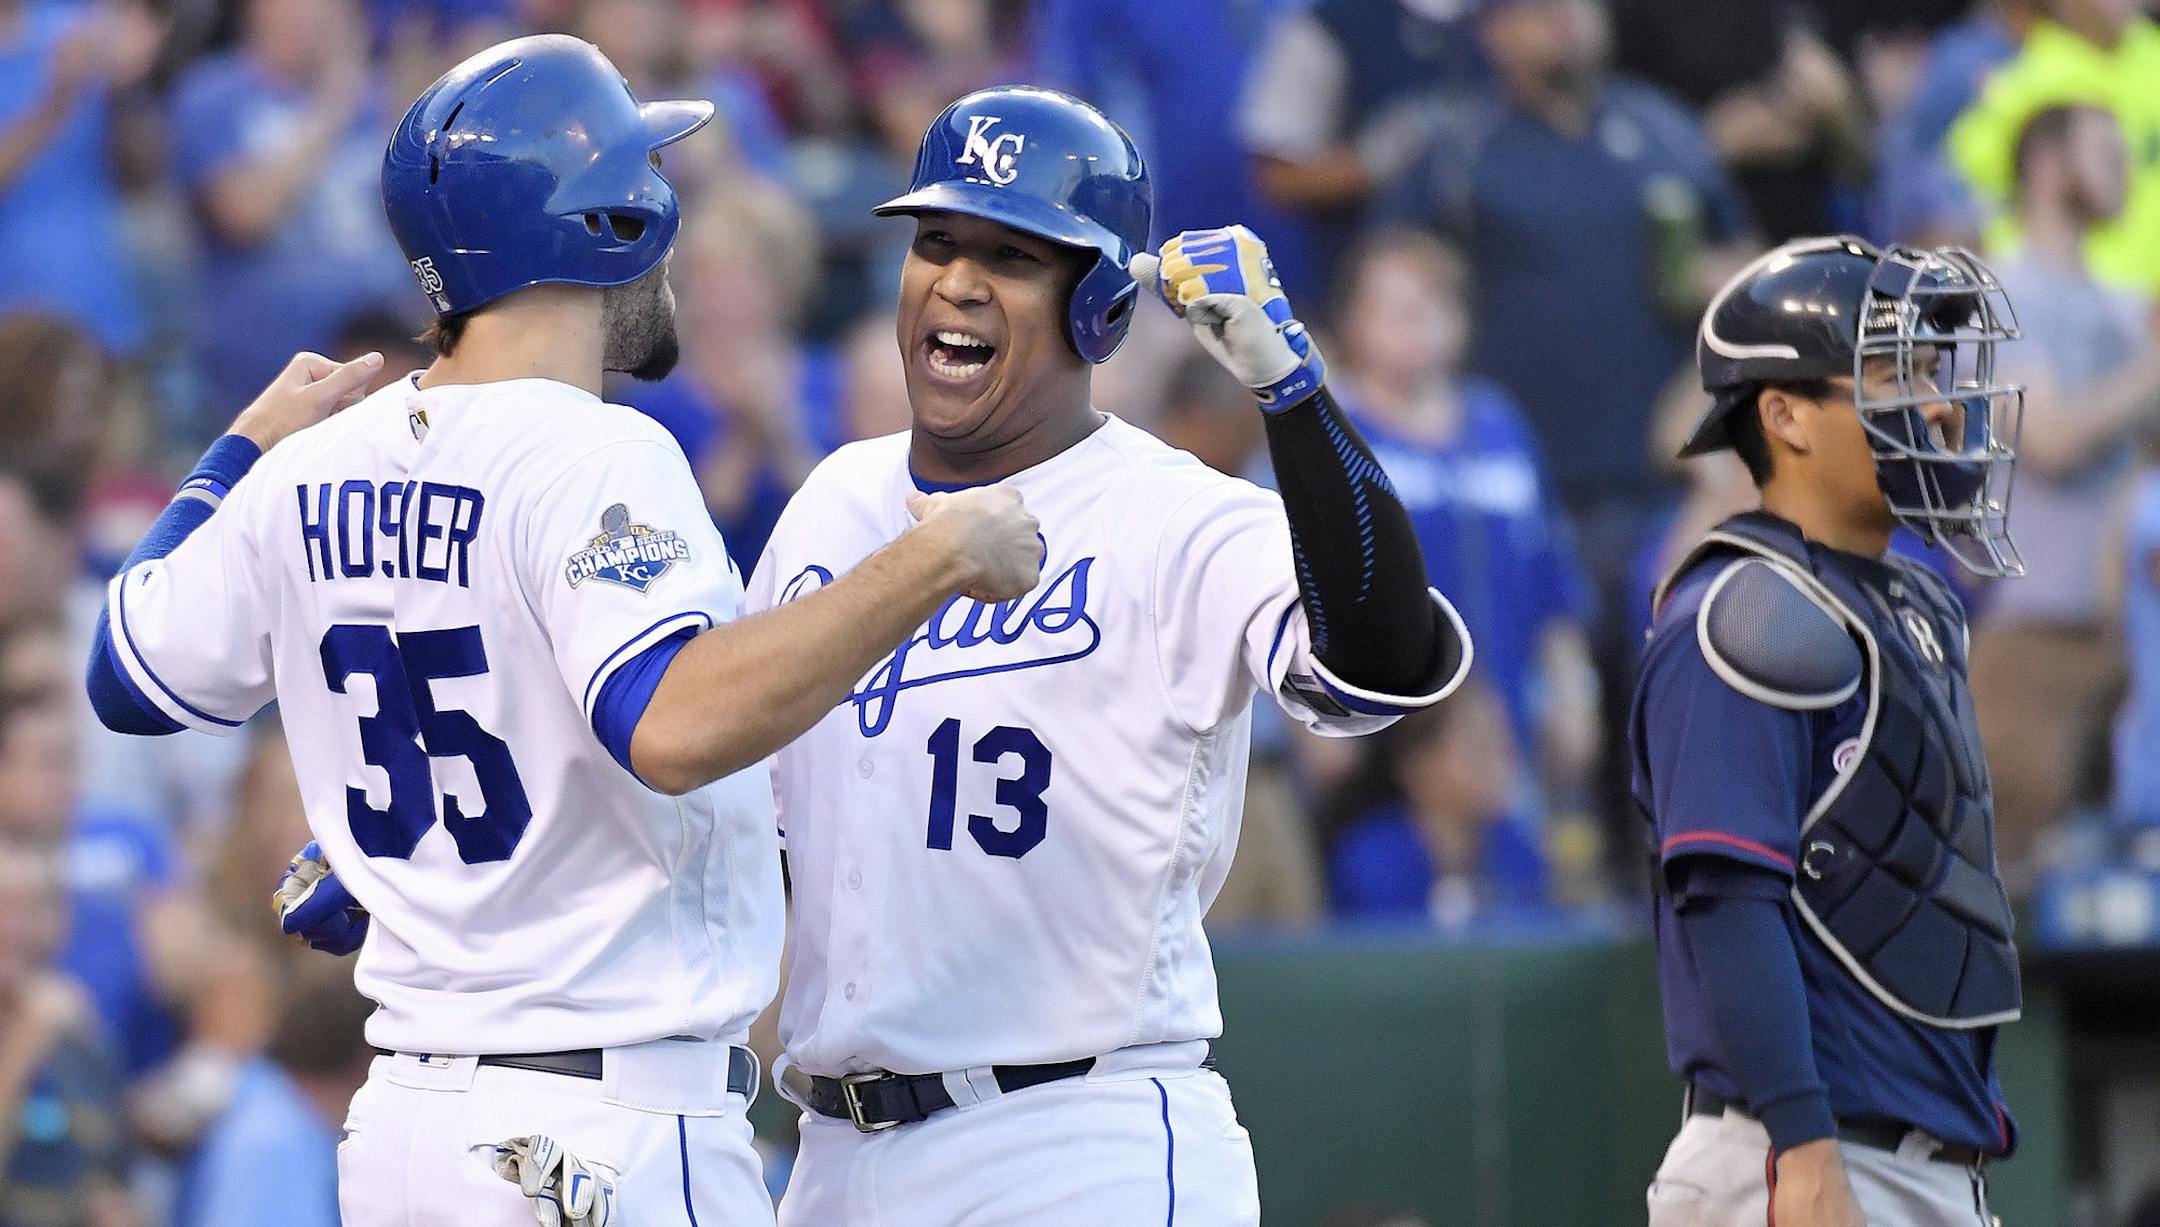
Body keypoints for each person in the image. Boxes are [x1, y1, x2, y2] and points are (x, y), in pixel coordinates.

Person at [84, 34, 1042, 1227]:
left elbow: (127, 674)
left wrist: (239, 450)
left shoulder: (305, 468)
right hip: (595, 1131)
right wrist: (938, 559)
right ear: (608, 225)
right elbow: (675, 723)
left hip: (405, 1135)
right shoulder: (594, 450)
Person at [748, 86, 1468, 1224]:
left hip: (1074, 1140)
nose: (959, 280)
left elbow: (1378, 665)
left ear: (1096, 307)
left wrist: (1293, 392)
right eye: (936, 242)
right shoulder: (831, 506)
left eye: (1012, 255)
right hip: (838, 1153)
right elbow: (756, 827)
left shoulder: (1176, 514)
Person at [1633, 235, 2025, 1226]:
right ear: (1784, 416)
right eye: (1891, 375)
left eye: (1932, 372)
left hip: (1917, 1163)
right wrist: (1802, 1150)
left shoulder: (1918, 605)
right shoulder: (1749, 612)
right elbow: (1727, 899)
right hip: (1798, 1157)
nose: (1935, 406)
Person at [1968, 101, 2160, 878]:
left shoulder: (2123, 304)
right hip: (2039, 626)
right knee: (2010, 873)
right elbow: (2048, 438)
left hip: (2138, 632)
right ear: (2047, 165)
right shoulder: (1995, 291)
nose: (2125, 170)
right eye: (2104, 151)